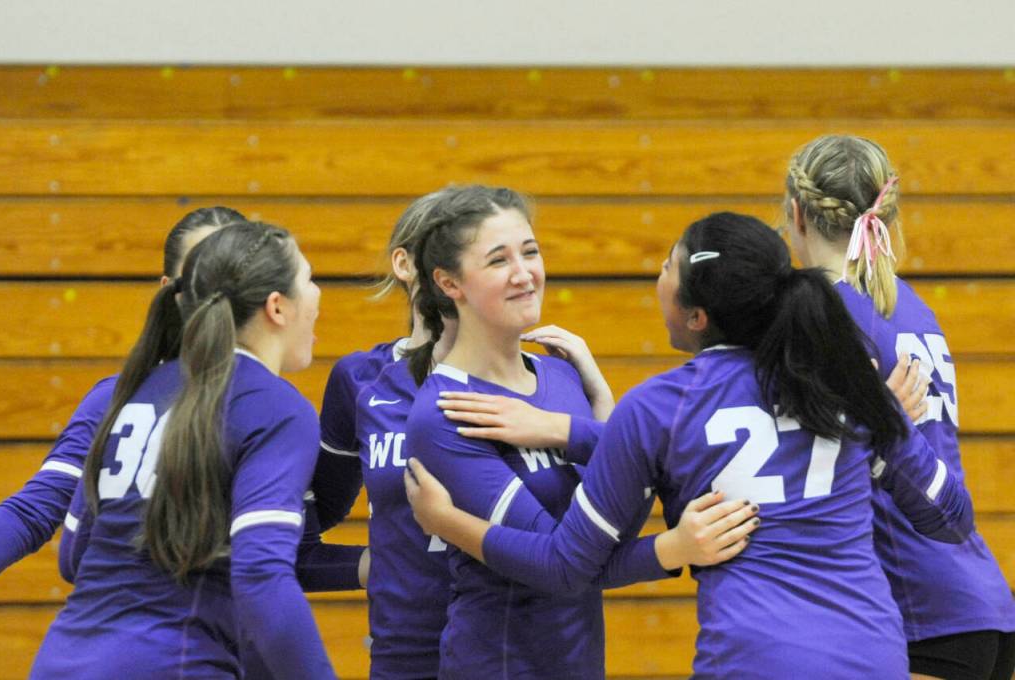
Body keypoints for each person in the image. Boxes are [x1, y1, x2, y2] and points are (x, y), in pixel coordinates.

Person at [405, 212, 975, 679]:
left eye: (665, 267)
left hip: (752, 661)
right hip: (873, 657)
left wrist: (446, 521)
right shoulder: (843, 380)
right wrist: (888, 437)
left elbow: (565, 566)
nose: (657, 275)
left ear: (695, 315)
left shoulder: (660, 407)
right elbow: (949, 518)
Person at [338, 185, 713, 679]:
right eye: (498, 261)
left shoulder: (559, 377)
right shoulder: (447, 411)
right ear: (450, 283)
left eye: (530, 252)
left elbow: (616, 515)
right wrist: (671, 550)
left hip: (577, 660)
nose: (525, 274)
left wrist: (591, 410)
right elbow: (560, 565)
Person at [30, 221, 336, 679]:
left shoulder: (133, 389)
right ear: (277, 307)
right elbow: (261, 576)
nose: (318, 295)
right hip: (172, 663)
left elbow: (75, 556)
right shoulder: (275, 406)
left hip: (60, 660)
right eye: (309, 279)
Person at [784, 134, 1015, 680]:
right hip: (977, 597)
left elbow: (812, 466)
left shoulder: (821, 315)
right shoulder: (910, 305)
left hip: (914, 608)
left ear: (796, 213)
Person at [0, 206, 244, 580]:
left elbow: (292, 553)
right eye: (202, 282)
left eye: (235, 281)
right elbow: (34, 510)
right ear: (170, 292)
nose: (220, 302)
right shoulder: (117, 398)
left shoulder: (277, 407)